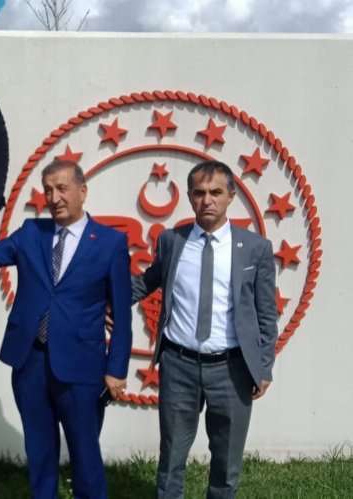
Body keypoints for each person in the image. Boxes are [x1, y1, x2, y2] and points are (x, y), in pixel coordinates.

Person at [0, 161, 132, 499]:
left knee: (85, 454)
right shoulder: (31, 233)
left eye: (62, 188)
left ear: (83, 191)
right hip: (30, 363)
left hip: (81, 367)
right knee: (39, 453)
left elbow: (122, 315)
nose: (54, 197)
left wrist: (116, 369)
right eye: (48, 190)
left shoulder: (110, 243)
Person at [131, 160, 278, 499]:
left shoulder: (255, 248)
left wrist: (263, 366)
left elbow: (266, 314)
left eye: (215, 192)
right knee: (171, 457)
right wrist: (104, 301)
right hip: (178, 365)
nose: (207, 200)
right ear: (189, 196)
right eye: (199, 193)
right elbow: (147, 282)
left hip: (232, 368)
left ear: (231, 196)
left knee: (226, 463)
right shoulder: (171, 241)